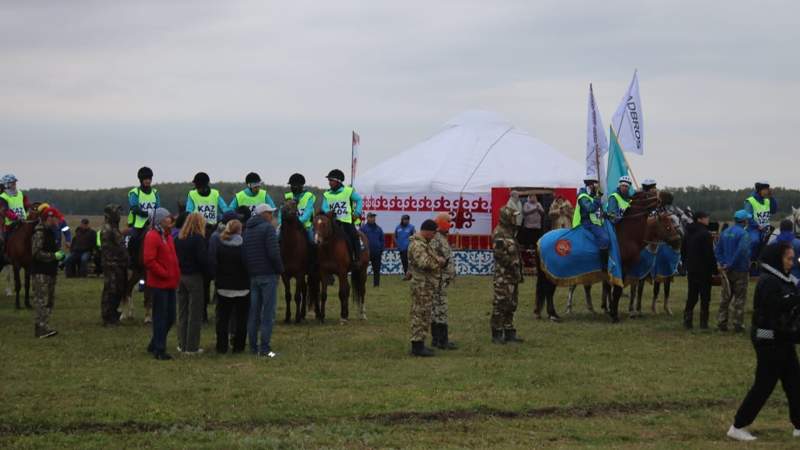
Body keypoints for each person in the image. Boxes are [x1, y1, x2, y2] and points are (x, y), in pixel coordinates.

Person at [727, 242, 800, 441]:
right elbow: (773, 309)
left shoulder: (784, 280)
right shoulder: (769, 282)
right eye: (789, 258)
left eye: (793, 258)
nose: (792, 262)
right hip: (768, 340)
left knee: (794, 382)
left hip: (783, 340)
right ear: (778, 259)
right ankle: (738, 426)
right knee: (764, 385)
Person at [243, 203, 283, 358]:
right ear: (263, 214)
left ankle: (253, 347)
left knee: (254, 313)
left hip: (253, 275)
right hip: (268, 275)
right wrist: (280, 269)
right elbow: (274, 253)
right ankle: (265, 348)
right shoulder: (268, 229)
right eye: (270, 213)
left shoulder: (247, 230)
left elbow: (244, 253)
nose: (272, 215)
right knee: (267, 313)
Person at [143, 208, 180, 361]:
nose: (170, 220)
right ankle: (159, 349)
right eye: (167, 218)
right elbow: (149, 260)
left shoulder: (168, 236)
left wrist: (175, 274)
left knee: (170, 317)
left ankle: (154, 343)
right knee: (160, 317)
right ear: (159, 220)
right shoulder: (152, 236)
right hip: (160, 284)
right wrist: (164, 273)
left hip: (171, 283)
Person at [407, 219, 445, 357]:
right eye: (434, 232)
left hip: (426, 285)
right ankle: (417, 346)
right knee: (419, 314)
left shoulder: (423, 243)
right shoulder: (417, 244)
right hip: (421, 286)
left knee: (424, 314)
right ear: (428, 231)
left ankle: (420, 344)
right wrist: (439, 262)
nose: (435, 235)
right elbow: (424, 262)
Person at [212, 219, 250, 354]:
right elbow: (247, 265)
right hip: (242, 288)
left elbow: (216, 264)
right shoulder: (244, 246)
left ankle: (221, 347)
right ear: (239, 230)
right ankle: (239, 347)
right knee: (241, 319)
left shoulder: (220, 245)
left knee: (222, 319)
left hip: (223, 287)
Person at [174, 213, 208, 355]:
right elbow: (202, 259)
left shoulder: (178, 239)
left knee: (182, 312)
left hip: (181, 277)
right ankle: (192, 347)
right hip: (194, 277)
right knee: (194, 313)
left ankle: (182, 344)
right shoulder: (198, 239)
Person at [715, 210, 753, 333]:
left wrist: (724, 264)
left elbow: (718, 250)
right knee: (739, 298)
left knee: (725, 297)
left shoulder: (725, 232)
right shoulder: (744, 234)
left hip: (725, 270)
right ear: (744, 221)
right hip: (740, 270)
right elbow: (741, 252)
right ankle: (737, 324)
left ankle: (722, 323)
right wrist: (731, 264)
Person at [31, 207, 65, 338]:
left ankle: (45, 326)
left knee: (49, 301)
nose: (58, 221)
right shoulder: (40, 232)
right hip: (41, 273)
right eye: (55, 218)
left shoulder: (51, 231)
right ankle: (40, 328)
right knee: (42, 301)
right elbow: (36, 253)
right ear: (49, 218)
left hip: (50, 271)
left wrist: (60, 259)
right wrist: (53, 256)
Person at [492, 206, 524, 344]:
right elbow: (498, 254)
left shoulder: (510, 232)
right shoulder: (499, 233)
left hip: (513, 276)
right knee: (501, 303)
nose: (515, 219)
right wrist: (512, 264)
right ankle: (497, 333)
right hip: (503, 276)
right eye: (513, 216)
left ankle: (509, 331)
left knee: (511, 304)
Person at [320, 169, 363, 266]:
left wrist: (356, 213)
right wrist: (328, 212)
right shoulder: (327, 194)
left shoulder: (348, 191)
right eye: (329, 180)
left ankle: (357, 259)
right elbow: (324, 207)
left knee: (354, 236)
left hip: (346, 221)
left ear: (338, 181)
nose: (329, 183)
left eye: (331, 180)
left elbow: (359, 200)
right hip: (332, 223)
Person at [682, 211, 716, 329]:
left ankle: (687, 320)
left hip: (692, 269)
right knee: (705, 296)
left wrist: (686, 265)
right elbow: (709, 254)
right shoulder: (705, 234)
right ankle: (703, 323)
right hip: (704, 270)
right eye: (706, 217)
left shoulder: (687, 232)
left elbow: (683, 251)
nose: (708, 219)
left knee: (692, 295)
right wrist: (715, 269)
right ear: (700, 219)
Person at [430, 212, 457, 350]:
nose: (450, 225)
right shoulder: (437, 238)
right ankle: (442, 340)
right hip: (438, 281)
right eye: (448, 222)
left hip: (441, 281)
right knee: (440, 310)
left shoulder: (441, 237)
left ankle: (437, 339)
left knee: (437, 309)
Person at [100, 205, 128, 326]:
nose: (119, 216)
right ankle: (108, 316)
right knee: (111, 290)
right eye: (116, 213)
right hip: (111, 264)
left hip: (119, 264)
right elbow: (110, 249)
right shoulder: (107, 230)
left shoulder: (115, 228)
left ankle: (114, 314)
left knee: (118, 290)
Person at [573, 177, 609, 268]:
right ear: (590, 185)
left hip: (598, 222)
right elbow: (590, 209)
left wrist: (607, 214)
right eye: (595, 185)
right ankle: (604, 265)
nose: (597, 187)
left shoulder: (593, 196)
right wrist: (597, 197)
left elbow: (598, 211)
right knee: (605, 239)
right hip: (588, 223)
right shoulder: (583, 197)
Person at [127, 166, 160, 261]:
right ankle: (132, 261)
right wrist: (148, 214)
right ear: (141, 180)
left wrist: (153, 216)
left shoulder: (155, 192)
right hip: (138, 225)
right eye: (145, 179)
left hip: (153, 223)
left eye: (149, 179)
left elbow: (158, 208)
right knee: (133, 241)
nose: (148, 181)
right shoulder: (134, 193)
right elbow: (135, 208)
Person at [744, 181, 778, 264]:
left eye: (768, 189)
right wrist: (757, 226)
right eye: (765, 190)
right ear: (759, 190)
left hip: (766, 228)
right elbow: (748, 216)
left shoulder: (767, 200)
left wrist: (771, 197)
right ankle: (753, 261)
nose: (767, 191)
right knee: (755, 241)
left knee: (774, 242)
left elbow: (774, 210)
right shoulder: (750, 201)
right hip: (753, 228)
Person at [283, 173, 316, 242]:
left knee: (312, 241)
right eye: (291, 185)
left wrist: (298, 221)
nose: (292, 187)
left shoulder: (309, 196)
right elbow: (282, 212)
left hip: (306, 226)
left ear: (300, 186)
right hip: (290, 225)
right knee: (277, 237)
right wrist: (281, 223)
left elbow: (308, 212)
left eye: (294, 185)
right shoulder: (288, 196)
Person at [0, 174, 30, 240]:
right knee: (2, 242)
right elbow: (5, 211)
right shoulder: (2, 197)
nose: (15, 184)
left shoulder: (20, 193)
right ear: (6, 185)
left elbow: (26, 206)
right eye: (12, 183)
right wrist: (16, 217)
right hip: (11, 225)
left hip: (24, 221)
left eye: (15, 183)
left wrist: (29, 213)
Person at [360, 213, 384, 287]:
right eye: (371, 217)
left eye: (374, 217)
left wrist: (381, 249)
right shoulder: (363, 228)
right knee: (363, 270)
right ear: (367, 218)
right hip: (366, 253)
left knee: (376, 270)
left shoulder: (379, 229)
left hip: (376, 253)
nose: (373, 218)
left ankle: (376, 285)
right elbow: (359, 239)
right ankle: (362, 284)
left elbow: (382, 240)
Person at [395, 215, 415, 280]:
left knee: (411, 262)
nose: (406, 221)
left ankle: (411, 275)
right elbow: (395, 236)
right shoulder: (398, 228)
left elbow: (414, 237)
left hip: (409, 249)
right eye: (404, 219)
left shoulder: (411, 227)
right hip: (401, 249)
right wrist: (397, 244)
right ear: (402, 220)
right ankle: (407, 275)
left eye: (407, 219)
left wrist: (412, 245)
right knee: (404, 262)